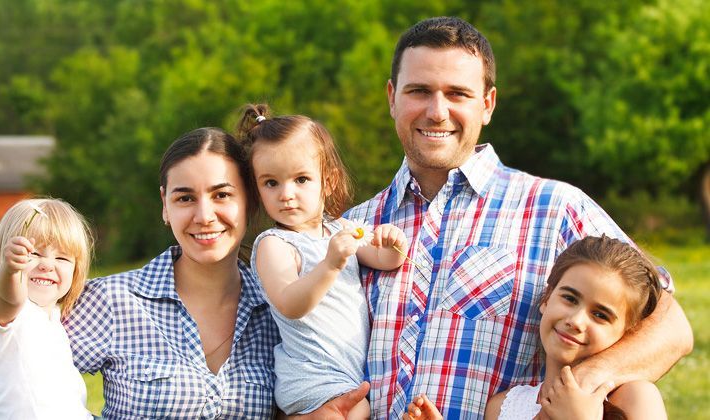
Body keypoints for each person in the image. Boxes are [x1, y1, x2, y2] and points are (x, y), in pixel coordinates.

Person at [313, 16, 692, 419]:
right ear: (392, 97)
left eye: (457, 93)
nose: (437, 111)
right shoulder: (349, 229)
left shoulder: (554, 208)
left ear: (487, 104)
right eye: (419, 91)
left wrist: (587, 382)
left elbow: (670, 326)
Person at [63, 128, 281, 418]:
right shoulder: (111, 301)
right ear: (165, 204)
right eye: (185, 199)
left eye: (222, 195)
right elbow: (27, 383)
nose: (204, 216)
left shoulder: (279, 310)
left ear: (251, 200)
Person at [236, 104, 407, 418]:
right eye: (271, 183)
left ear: (326, 182)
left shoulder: (340, 229)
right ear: (258, 189)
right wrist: (330, 265)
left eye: (301, 179)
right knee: (358, 411)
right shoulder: (274, 245)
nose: (286, 194)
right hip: (310, 376)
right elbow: (290, 303)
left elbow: (385, 259)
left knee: (359, 408)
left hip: (346, 372)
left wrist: (394, 242)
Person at [406, 235, 667, 419]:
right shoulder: (505, 407)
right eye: (569, 298)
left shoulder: (634, 398)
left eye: (600, 314)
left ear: (626, 332)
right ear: (546, 298)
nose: (576, 320)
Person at [0, 198, 94, 419]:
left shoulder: (53, 319)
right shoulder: (3, 310)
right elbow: (10, 298)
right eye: (34, 254)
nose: (47, 264)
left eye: (62, 257)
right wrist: (11, 271)